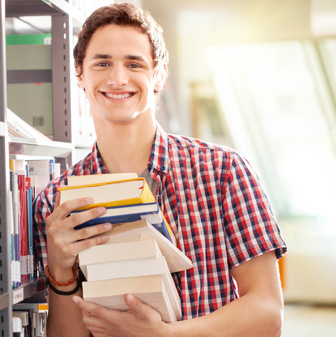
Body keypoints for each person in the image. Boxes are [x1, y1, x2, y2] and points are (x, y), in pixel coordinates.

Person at [32, 3, 287, 337]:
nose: (118, 78)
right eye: (103, 62)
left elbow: (268, 315)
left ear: (159, 74)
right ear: (80, 73)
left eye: (134, 63)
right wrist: (60, 268)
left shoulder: (225, 171)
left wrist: (163, 335)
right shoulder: (56, 202)